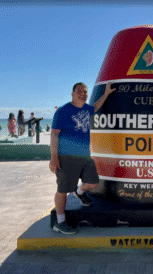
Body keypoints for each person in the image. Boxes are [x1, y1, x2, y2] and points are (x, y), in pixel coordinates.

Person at [49, 82, 115, 234]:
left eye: (85, 91)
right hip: (66, 157)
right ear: (72, 94)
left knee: (93, 182)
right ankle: (60, 222)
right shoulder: (63, 111)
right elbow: (54, 134)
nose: (83, 94)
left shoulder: (87, 109)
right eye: (79, 91)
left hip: (84, 156)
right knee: (63, 190)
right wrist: (54, 157)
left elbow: (96, 106)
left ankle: (79, 192)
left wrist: (106, 94)